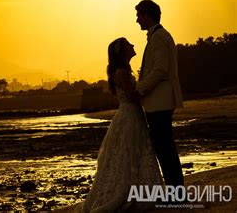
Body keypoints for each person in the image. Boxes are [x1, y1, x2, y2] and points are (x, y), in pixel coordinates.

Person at [55, 38, 163, 212]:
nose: (133, 46)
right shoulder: (121, 73)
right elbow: (133, 96)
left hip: (133, 115)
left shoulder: (123, 71)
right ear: (122, 52)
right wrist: (150, 88)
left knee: (133, 151)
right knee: (129, 152)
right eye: (129, 45)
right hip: (129, 116)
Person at [135, 0, 184, 189]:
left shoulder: (158, 37)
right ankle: (175, 191)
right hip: (159, 102)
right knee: (165, 149)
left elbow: (160, 70)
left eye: (139, 15)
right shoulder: (159, 36)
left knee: (165, 150)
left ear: (148, 15)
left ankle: (176, 193)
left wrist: (140, 88)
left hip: (160, 103)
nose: (137, 20)